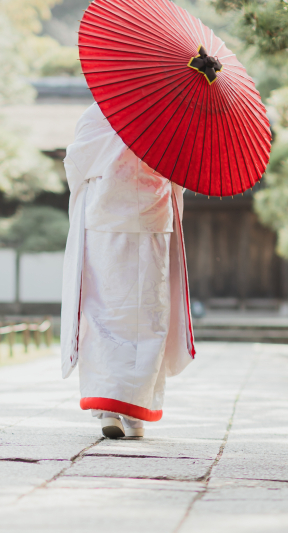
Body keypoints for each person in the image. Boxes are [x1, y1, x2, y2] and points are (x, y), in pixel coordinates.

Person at [61, 103, 195, 439]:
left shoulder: (99, 111)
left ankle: (110, 408)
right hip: (153, 220)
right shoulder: (170, 111)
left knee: (104, 311)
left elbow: (77, 164)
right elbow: (181, 173)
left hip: (106, 221)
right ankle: (136, 413)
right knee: (148, 316)